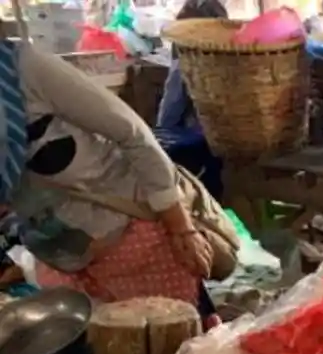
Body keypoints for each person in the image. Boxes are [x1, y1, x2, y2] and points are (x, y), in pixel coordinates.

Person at [0, 39, 223, 313]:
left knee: (176, 341)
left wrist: (181, 229)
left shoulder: (25, 69)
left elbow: (133, 134)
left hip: (133, 240)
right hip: (59, 254)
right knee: (105, 348)